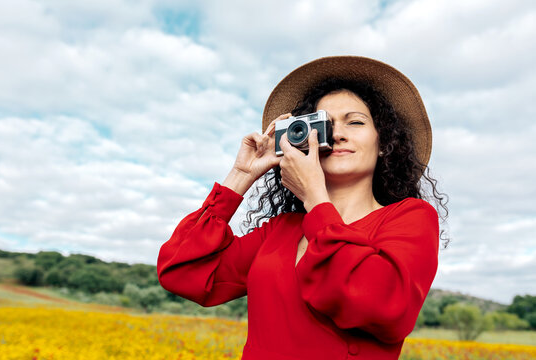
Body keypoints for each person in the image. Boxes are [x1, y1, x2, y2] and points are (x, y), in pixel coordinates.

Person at [157, 56, 448, 360]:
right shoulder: (281, 229)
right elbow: (181, 271)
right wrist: (241, 176)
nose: (337, 134)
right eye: (323, 125)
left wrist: (316, 199)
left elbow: (382, 306)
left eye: (356, 122)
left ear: (384, 142)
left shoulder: (410, 218)